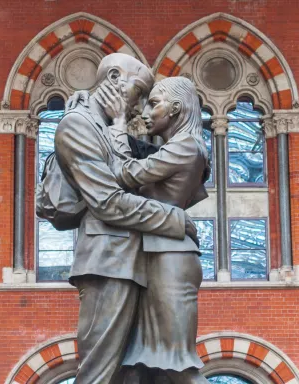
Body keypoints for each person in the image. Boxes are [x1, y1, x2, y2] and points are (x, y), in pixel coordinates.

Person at [52, 53, 199, 384]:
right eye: (141, 91)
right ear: (116, 78)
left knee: (133, 374)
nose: (141, 105)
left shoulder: (104, 126)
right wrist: (174, 219)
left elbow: (154, 162)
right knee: (99, 373)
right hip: (108, 262)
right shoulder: (78, 124)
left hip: (134, 261)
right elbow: (107, 202)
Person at [94, 77, 211, 384]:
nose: (145, 112)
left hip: (170, 259)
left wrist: (118, 125)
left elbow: (123, 173)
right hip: (153, 257)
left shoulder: (186, 146)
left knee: (177, 364)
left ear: (176, 108)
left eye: (154, 103)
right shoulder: (177, 148)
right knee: (137, 368)